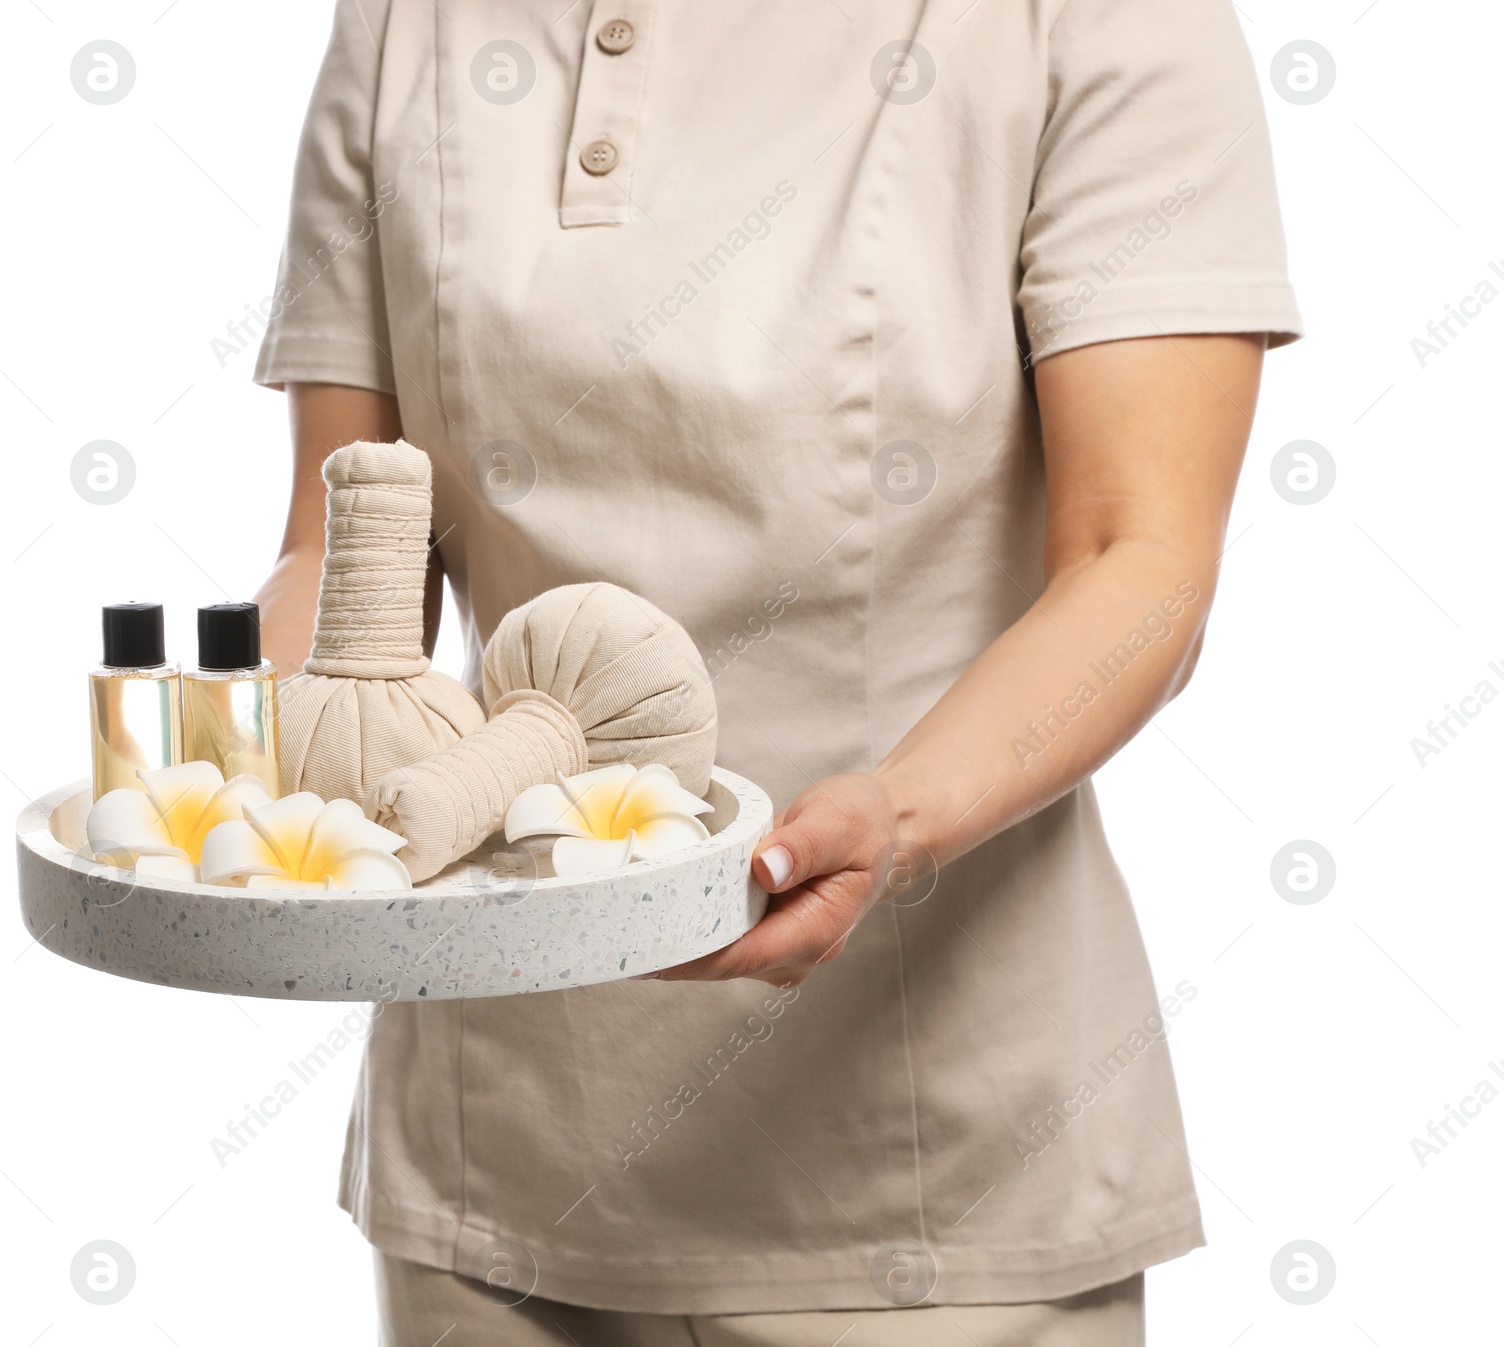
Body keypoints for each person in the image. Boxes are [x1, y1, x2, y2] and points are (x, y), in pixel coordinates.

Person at [253, 1, 1302, 1341]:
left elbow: (1138, 558)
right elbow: (344, 558)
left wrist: (898, 815)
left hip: (937, 1187)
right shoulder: (410, 19)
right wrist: (227, 742)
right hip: (495, 1165)